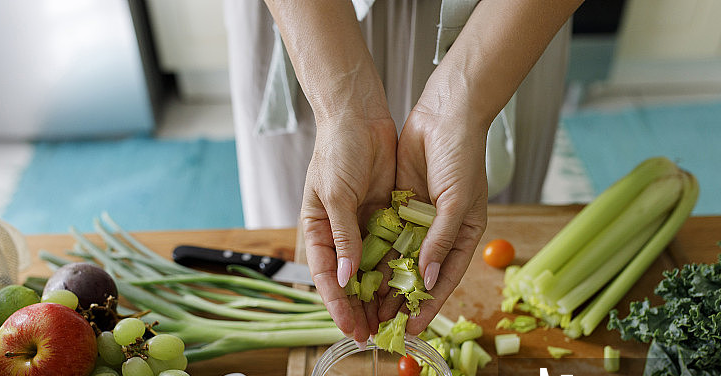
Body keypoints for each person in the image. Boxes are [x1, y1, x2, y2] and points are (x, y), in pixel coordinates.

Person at [224, 0, 584, 345]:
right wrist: (340, 107)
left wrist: (464, 105)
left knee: (469, 212)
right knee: (305, 227)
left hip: (510, 25)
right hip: (310, 24)